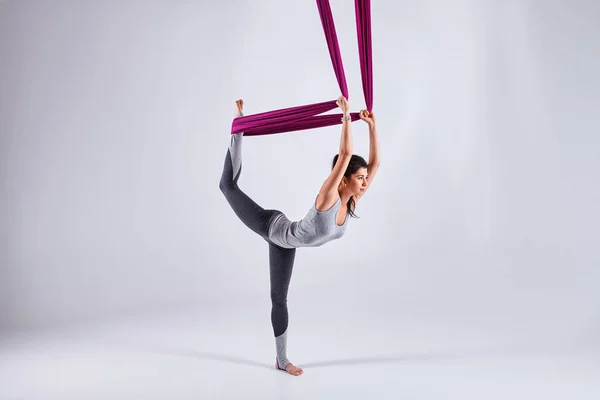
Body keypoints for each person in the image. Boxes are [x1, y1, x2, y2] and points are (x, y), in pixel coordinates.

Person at [219, 95, 380, 376]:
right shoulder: (328, 196)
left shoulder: (350, 201)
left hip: (285, 243)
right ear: (344, 179)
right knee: (227, 186)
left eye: (365, 178)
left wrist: (372, 127)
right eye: (360, 178)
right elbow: (343, 157)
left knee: (279, 299)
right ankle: (239, 127)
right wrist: (344, 117)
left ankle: (281, 360)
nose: (366, 183)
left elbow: (375, 164)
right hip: (270, 226)